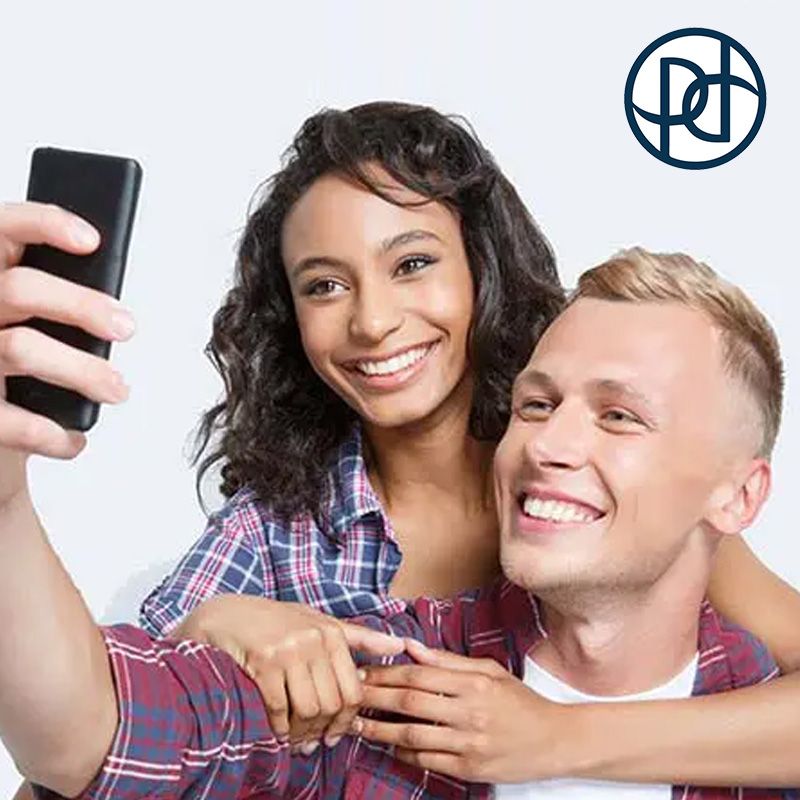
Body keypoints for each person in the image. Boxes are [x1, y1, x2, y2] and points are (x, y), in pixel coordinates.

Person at [2, 102, 800, 796]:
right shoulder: (280, 545)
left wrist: (557, 736)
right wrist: (215, 621)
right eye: (324, 285)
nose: (374, 321)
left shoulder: (609, 504)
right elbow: (102, 741)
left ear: (484, 273)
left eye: (412, 264)